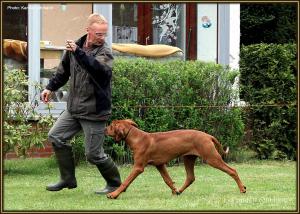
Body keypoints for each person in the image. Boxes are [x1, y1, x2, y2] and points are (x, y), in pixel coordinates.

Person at [41, 13, 121, 195]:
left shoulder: (105, 51)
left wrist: (78, 51)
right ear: (88, 31)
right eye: (99, 34)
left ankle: (115, 184)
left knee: (93, 154)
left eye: (104, 34)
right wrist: (50, 88)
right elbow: (63, 72)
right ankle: (67, 179)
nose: (102, 38)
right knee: (56, 136)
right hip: (74, 109)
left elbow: (99, 70)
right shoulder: (74, 48)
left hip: (94, 111)